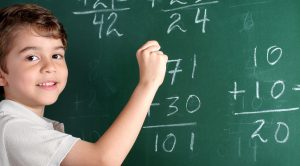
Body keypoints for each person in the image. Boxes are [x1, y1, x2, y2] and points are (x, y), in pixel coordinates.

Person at [0, 3, 168, 166]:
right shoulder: (11, 127)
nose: (49, 67)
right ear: (2, 75)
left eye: (56, 55)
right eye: (32, 57)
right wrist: (148, 83)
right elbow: (101, 161)